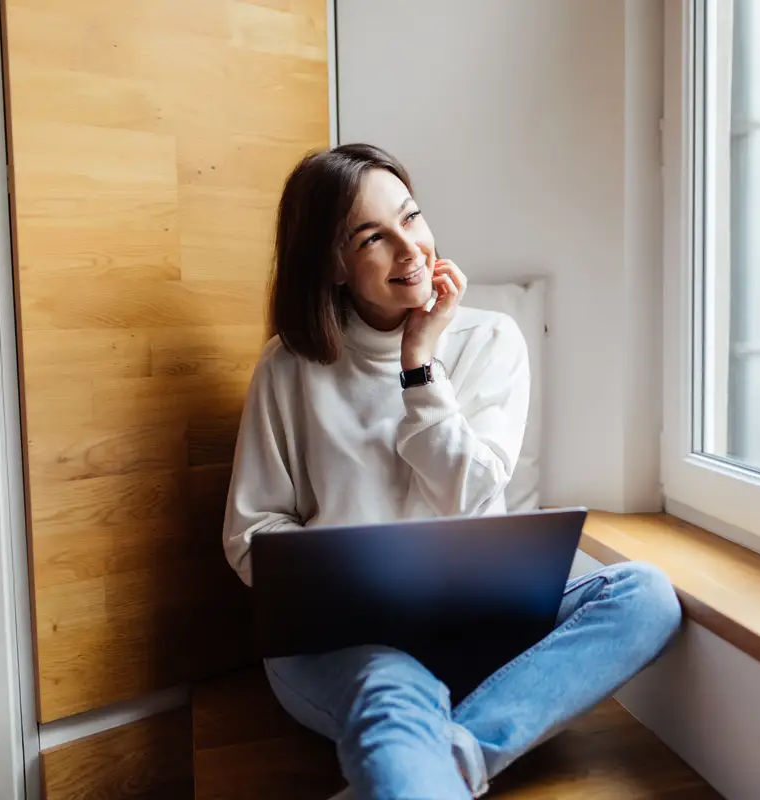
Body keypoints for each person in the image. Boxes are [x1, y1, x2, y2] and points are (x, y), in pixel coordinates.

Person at [221, 143, 682, 799]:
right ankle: (431, 757)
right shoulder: (289, 366)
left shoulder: (489, 340)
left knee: (644, 595)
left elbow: (468, 494)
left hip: (474, 627)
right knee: (393, 692)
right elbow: (249, 533)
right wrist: (342, 575)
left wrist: (420, 366)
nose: (410, 249)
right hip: (345, 647)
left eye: (411, 217)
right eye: (374, 237)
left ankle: (444, 762)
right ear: (333, 264)